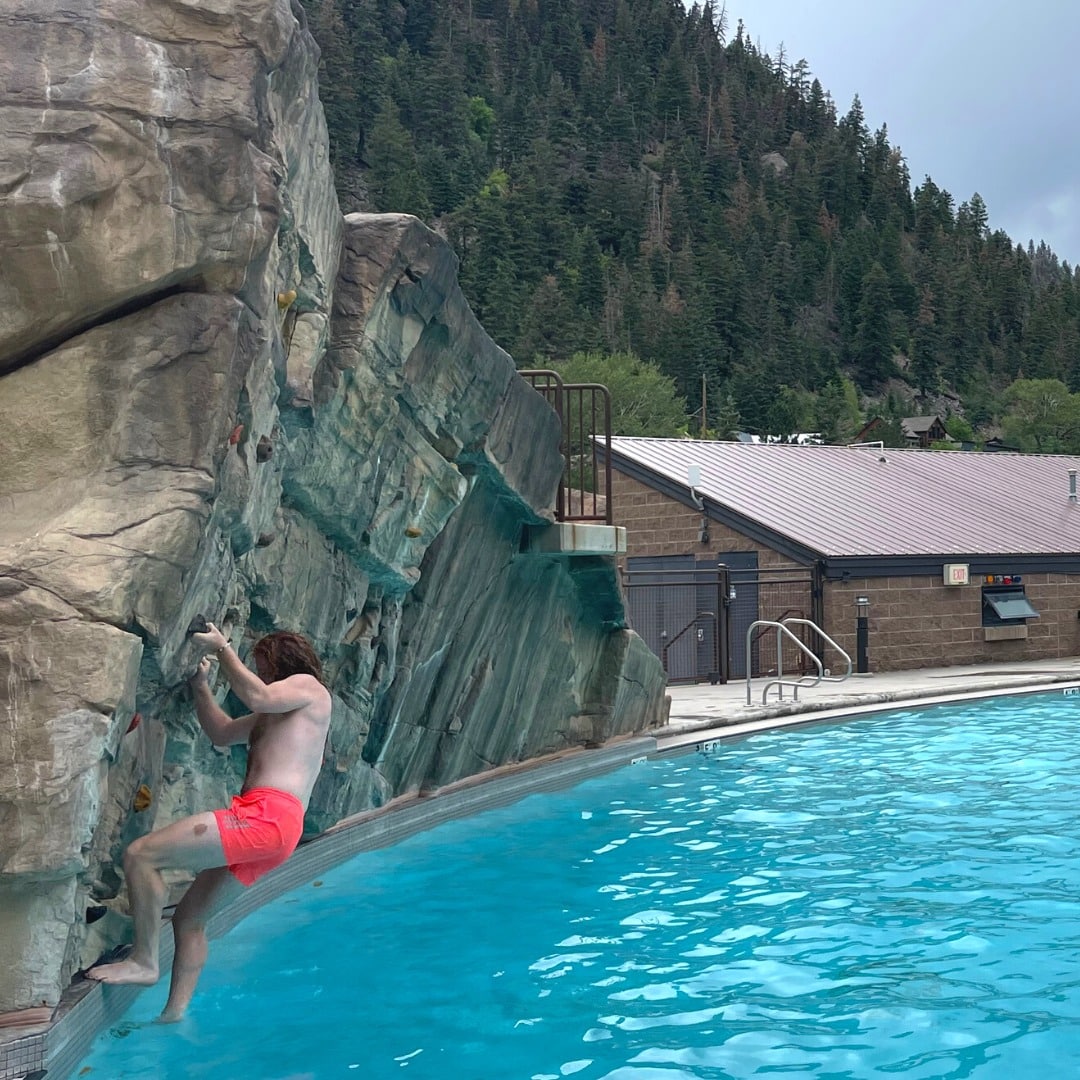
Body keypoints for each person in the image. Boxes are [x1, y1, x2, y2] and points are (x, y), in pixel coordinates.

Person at [87, 623, 332, 1021]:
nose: (262, 672)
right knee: (190, 918)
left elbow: (259, 693)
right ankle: (173, 1015)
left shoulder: (309, 689)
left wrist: (222, 649)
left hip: (266, 817)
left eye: (264, 664)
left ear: (283, 662)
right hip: (276, 829)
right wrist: (201, 686)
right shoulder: (274, 718)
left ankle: (144, 960)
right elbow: (220, 733)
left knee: (141, 855)